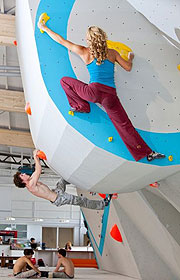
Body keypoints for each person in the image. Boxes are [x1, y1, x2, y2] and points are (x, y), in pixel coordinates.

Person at [37, 20, 165, 162]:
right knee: (124, 125)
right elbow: (128, 67)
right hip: (109, 96)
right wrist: (130, 58)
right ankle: (147, 153)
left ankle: (82, 106)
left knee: (64, 81)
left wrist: (45, 28)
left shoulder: (85, 52)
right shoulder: (112, 53)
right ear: (103, 38)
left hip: (92, 93)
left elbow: (62, 41)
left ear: (89, 40)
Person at [13, 150, 111, 210]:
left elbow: (37, 170)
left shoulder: (31, 180)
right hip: (60, 198)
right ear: (22, 181)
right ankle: (103, 204)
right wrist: (35, 157)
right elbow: (38, 170)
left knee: (63, 180)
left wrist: (37, 157)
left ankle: (84, 179)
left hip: (56, 192)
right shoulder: (31, 185)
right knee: (82, 201)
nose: (24, 174)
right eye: (22, 175)